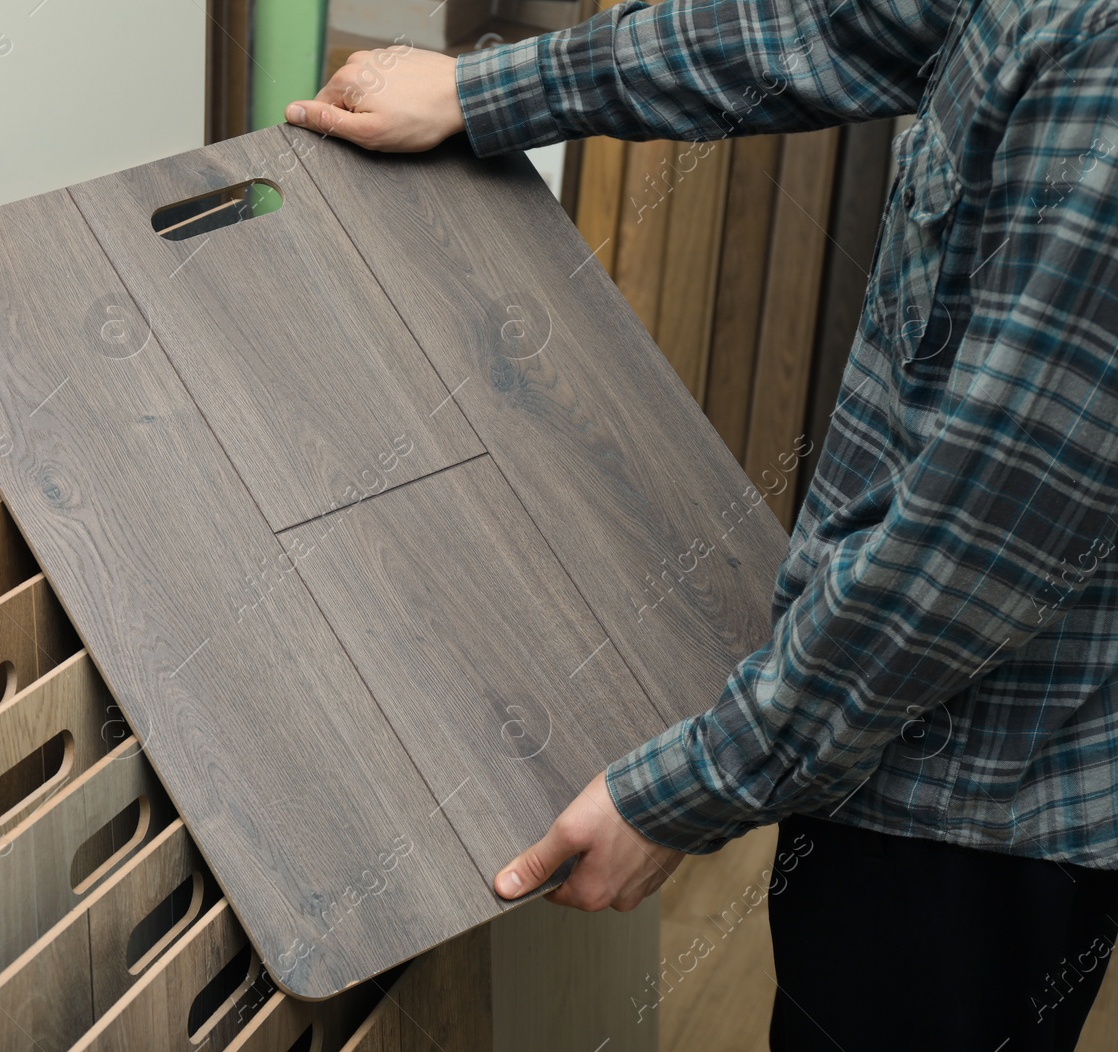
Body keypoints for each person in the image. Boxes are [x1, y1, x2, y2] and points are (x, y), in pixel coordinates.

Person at [287, 1, 1118, 1048]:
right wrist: (485, 90)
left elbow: (983, 542)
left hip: (977, 807)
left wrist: (692, 785)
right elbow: (824, 29)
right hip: (895, 763)